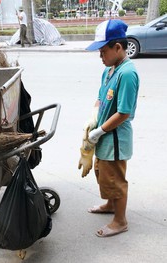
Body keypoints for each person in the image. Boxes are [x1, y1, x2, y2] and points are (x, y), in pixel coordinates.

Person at [79, 19, 139, 237]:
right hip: (103, 136)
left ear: (118, 47)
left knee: (115, 180)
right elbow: (100, 97)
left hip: (114, 138)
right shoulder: (110, 70)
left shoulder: (127, 73)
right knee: (102, 174)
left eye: (103, 51)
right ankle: (111, 205)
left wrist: (99, 131)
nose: (100, 56)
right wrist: (92, 119)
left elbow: (124, 113)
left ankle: (120, 221)